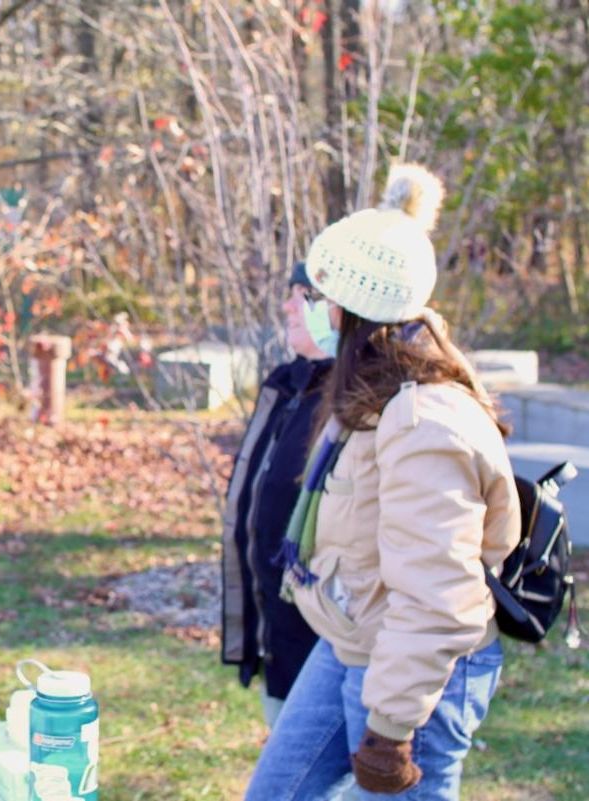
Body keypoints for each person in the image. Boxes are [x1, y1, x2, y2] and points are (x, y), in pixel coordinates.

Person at [245, 164, 519, 800]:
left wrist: (391, 729)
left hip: (418, 674)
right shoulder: (370, 394)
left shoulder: (424, 421)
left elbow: (437, 596)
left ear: (349, 310)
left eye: (317, 296)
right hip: (353, 643)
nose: (306, 308)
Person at [220, 261, 333, 728]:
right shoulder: (287, 385)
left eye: (302, 295)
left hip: (326, 647)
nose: (287, 306)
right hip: (277, 636)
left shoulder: (356, 400)